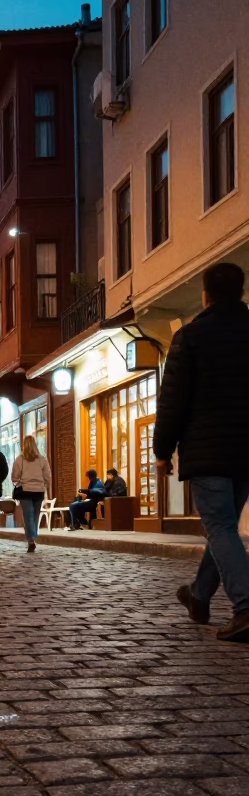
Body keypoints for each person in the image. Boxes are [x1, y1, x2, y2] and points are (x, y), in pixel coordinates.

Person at [154, 262, 249, 642]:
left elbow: (173, 400)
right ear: (241, 292)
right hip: (246, 453)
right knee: (223, 527)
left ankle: (245, 608)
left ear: (206, 295)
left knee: (221, 527)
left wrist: (163, 451)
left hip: (208, 452)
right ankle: (198, 595)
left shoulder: (191, 336)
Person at [11, 436, 52, 553]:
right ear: (35, 444)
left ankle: (31, 539)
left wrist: (20, 483)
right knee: (35, 516)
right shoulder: (42, 460)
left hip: (25, 490)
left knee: (27, 516)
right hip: (39, 491)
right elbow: (47, 476)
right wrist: (45, 486)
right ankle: (33, 537)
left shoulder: (19, 460)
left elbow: (14, 477)